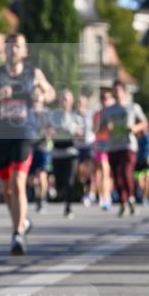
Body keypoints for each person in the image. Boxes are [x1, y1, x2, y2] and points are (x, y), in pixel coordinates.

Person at [0, 33, 55, 254]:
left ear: (25, 50)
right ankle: (22, 222)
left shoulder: (33, 73)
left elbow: (51, 93)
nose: (13, 50)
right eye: (9, 46)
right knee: (7, 190)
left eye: (17, 46)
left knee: (19, 183)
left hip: (24, 133)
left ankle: (17, 234)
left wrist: (42, 95)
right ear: (4, 51)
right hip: (0, 135)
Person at [100, 80, 149, 216]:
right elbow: (99, 129)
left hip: (129, 145)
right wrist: (106, 128)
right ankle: (123, 202)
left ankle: (131, 198)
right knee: (117, 175)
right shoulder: (108, 110)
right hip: (113, 146)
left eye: (118, 90)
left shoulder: (133, 107)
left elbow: (145, 122)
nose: (116, 93)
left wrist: (135, 127)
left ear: (124, 91)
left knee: (126, 172)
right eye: (114, 91)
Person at [48, 89, 84, 218]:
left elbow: (82, 136)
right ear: (59, 101)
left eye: (67, 99)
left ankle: (68, 207)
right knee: (59, 182)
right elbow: (47, 130)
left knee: (70, 181)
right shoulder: (53, 116)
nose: (65, 102)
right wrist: (49, 132)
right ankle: (59, 192)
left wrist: (78, 133)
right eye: (63, 99)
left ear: (71, 101)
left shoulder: (76, 117)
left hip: (70, 152)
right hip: (57, 152)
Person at [29, 88, 52, 213]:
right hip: (30, 148)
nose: (37, 96)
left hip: (43, 148)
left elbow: (52, 129)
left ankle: (42, 198)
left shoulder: (47, 112)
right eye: (35, 94)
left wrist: (47, 133)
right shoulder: (28, 112)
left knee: (42, 174)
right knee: (32, 179)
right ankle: (37, 194)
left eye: (39, 94)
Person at [92, 88, 114, 210]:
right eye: (103, 98)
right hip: (101, 145)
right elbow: (94, 130)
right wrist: (104, 127)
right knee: (102, 171)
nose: (105, 101)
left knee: (109, 173)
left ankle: (107, 195)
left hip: (114, 146)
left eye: (108, 98)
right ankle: (103, 196)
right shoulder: (97, 114)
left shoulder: (114, 112)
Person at [75, 94, 96, 206]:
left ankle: (90, 194)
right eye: (78, 102)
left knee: (89, 170)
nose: (80, 104)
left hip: (89, 145)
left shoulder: (91, 115)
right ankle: (85, 192)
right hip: (78, 146)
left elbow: (96, 128)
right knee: (80, 171)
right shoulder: (73, 115)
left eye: (82, 102)